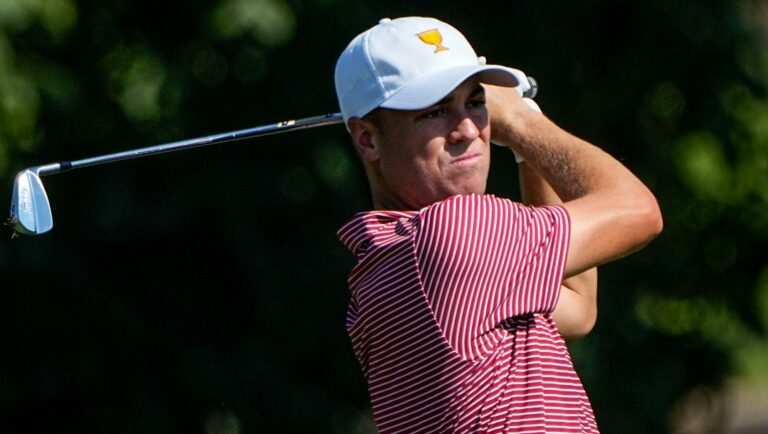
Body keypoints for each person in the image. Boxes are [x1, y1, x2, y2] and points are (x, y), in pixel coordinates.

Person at [334, 16, 662, 434]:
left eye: (475, 102)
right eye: (435, 112)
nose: (469, 129)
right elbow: (638, 211)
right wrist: (525, 123)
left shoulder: (381, 268)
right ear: (367, 138)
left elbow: (576, 309)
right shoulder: (455, 231)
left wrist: (529, 156)